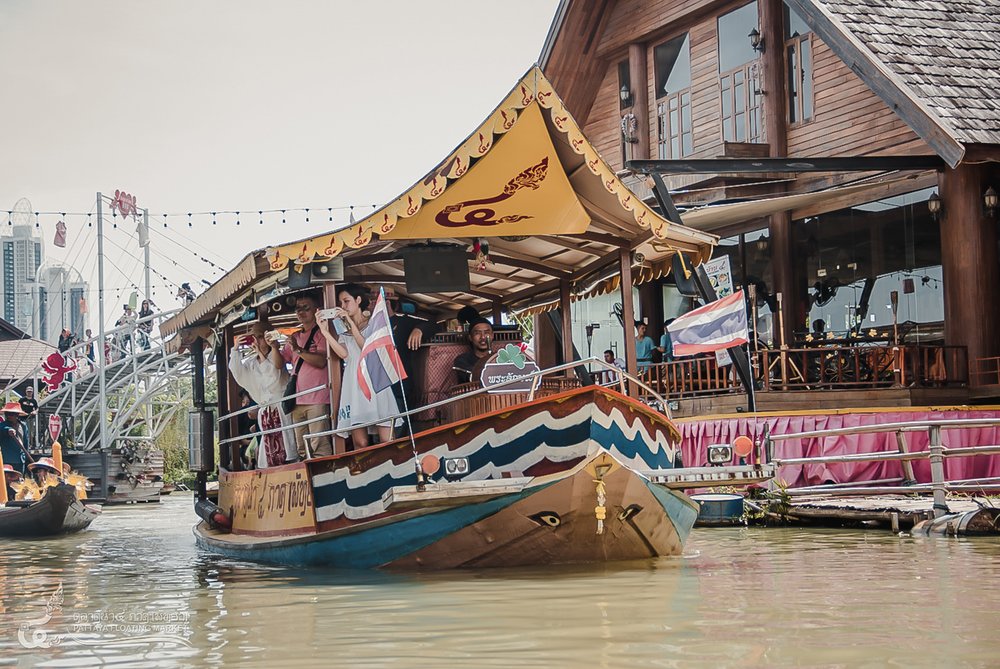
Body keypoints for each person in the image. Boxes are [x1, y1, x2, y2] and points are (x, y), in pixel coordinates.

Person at [319, 284, 400, 450]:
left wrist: (350, 322)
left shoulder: (374, 321)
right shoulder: (342, 326)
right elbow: (344, 354)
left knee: (387, 438)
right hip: (354, 378)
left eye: (346, 301)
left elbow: (366, 348)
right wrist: (325, 332)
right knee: (360, 442)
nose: (343, 306)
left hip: (374, 376)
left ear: (358, 300)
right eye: (341, 302)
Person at [228, 320, 298, 467]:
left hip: (281, 409)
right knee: (269, 451)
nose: (257, 341)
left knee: (287, 447)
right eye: (254, 337)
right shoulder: (251, 363)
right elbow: (238, 374)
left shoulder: (277, 357)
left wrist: (261, 353)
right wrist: (235, 350)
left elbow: (273, 378)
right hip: (265, 412)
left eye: (260, 337)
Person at [279, 293, 333, 459]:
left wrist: (298, 350)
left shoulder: (322, 333)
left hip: (317, 398)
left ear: (316, 310)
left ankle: (324, 476)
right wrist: (271, 346)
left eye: (305, 308)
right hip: (298, 398)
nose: (301, 312)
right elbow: (279, 362)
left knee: (319, 444)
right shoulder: (295, 336)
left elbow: (322, 361)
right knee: (302, 446)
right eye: (298, 309)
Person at [383, 286, 438, 414]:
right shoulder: (369, 326)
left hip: (399, 386)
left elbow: (434, 326)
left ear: (386, 303)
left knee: (400, 425)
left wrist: (419, 329)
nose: (369, 306)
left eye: (374, 302)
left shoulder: (403, 322)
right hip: (376, 387)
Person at [453, 317, 494, 384]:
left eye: (486, 332)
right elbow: (475, 376)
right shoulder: (462, 360)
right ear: (470, 337)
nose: (483, 337)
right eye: (477, 333)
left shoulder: (500, 357)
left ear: (492, 335)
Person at [0, 402, 32, 479]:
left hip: (21, 460)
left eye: (11, 414)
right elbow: (3, 428)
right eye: (7, 414)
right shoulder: (3, 425)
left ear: (17, 415)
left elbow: (26, 442)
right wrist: (9, 430)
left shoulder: (23, 426)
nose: (8, 416)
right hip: (8, 460)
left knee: (19, 482)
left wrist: (27, 458)